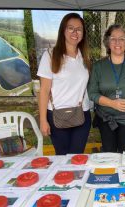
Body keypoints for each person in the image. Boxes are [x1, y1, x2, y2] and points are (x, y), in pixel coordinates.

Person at [38, 13, 91, 155]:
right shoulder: (50, 55)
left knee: (77, 156)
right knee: (62, 157)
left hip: (82, 114)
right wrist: (43, 120)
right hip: (57, 116)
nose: (75, 32)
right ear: (63, 31)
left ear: (83, 33)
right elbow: (43, 91)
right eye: (71, 28)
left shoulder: (84, 56)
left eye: (79, 29)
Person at [88, 24, 125, 153]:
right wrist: (112, 103)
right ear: (107, 42)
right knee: (109, 152)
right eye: (113, 38)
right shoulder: (98, 66)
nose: (117, 42)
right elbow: (92, 92)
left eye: (122, 38)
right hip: (106, 117)